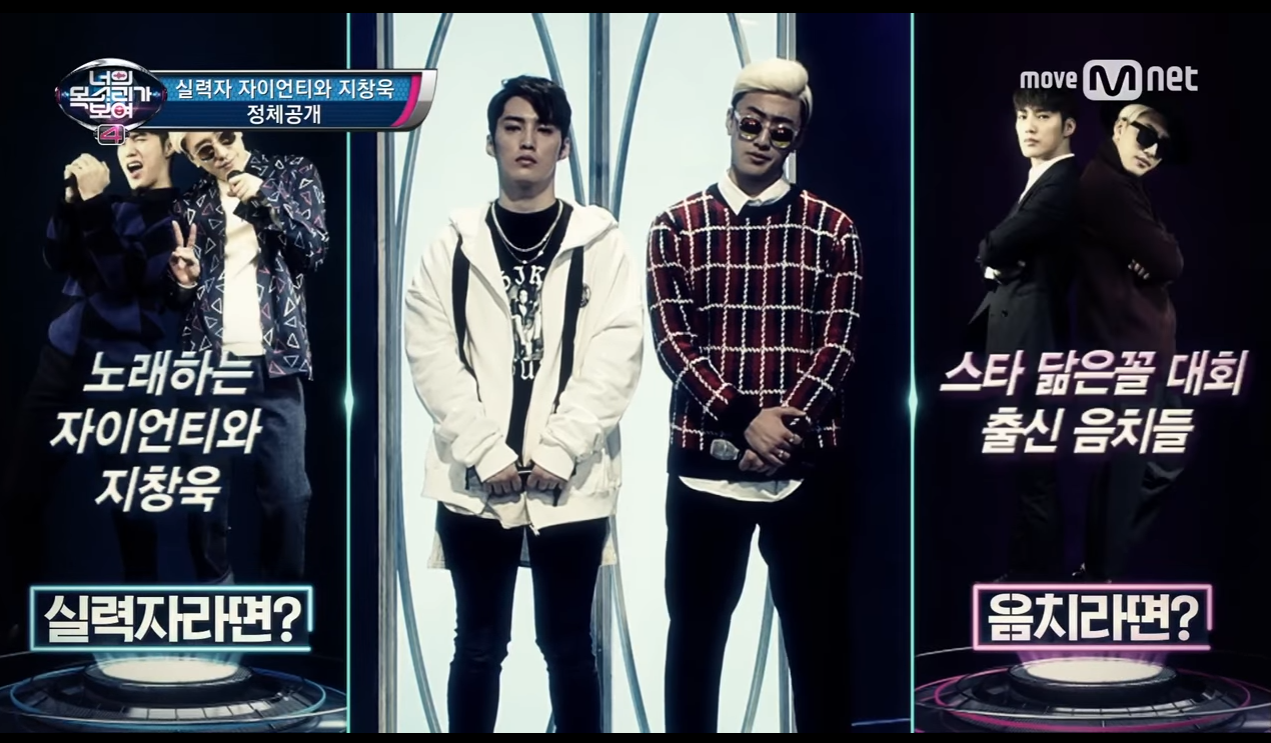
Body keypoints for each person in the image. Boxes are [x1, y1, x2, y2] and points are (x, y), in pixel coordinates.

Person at [403, 75, 644, 734]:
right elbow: (430, 355)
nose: (527, 141)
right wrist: (486, 450)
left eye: (543, 128)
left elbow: (617, 352)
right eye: (513, 127)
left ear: (563, 146)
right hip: (474, 482)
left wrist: (561, 449)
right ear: (491, 142)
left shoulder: (600, 242)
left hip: (571, 480)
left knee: (568, 648)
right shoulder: (451, 242)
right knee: (478, 645)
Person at [647, 58, 861, 734]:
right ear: (730, 121)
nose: (763, 139)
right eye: (751, 123)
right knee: (694, 647)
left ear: (796, 139)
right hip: (704, 467)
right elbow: (673, 342)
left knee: (820, 651)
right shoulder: (675, 224)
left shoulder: (832, 227)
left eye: (780, 131)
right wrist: (746, 420)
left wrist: (779, 433)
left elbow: (839, 343)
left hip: (805, 469)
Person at [2, 130, 196, 649]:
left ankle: (144, 634)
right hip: (60, 362)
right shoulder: (105, 205)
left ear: (170, 146)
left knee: (133, 511)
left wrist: (90, 208)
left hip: (123, 374)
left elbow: (123, 279)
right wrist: (70, 204)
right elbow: (55, 257)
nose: (127, 150)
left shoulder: (177, 215)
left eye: (141, 138)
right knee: (19, 494)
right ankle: (19, 626)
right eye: (119, 140)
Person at [167, 130, 328, 585]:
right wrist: (183, 282)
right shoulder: (188, 205)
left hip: (275, 363)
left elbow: (314, 251)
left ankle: (279, 604)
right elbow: (172, 300)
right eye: (206, 150)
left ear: (239, 129)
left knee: (289, 496)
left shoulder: (292, 173)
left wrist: (266, 196)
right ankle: (218, 597)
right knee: (204, 501)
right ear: (194, 160)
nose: (221, 152)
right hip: (207, 367)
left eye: (225, 137)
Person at [1072, 99, 1187, 582]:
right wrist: (1159, 253)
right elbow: (1171, 262)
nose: (1152, 151)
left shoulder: (1125, 186)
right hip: (1128, 351)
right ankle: (1100, 578)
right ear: (1120, 126)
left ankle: (1098, 567)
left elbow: (1164, 254)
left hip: (1147, 350)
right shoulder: (1105, 185)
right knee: (1128, 469)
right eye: (1146, 135)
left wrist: (1158, 249)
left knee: (1158, 463)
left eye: (1162, 146)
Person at [972, 89, 1081, 582]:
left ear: (1068, 126)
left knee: (1035, 469)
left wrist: (993, 256)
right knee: (1025, 468)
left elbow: (996, 244)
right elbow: (1001, 250)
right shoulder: (1042, 179)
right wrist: (997, 258)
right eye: (1021, 116)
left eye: (1043, 116)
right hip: (1020, 337)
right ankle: (1027, 573)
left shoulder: (1064, 181)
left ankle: (1040, 579)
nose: (1029, 126)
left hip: (1036, 342)